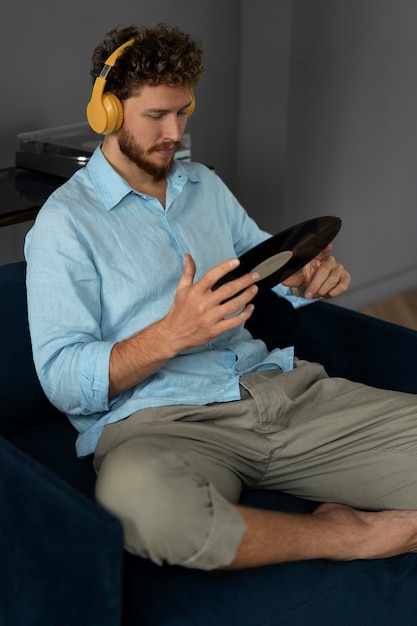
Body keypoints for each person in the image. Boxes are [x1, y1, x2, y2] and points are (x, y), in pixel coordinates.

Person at [25, 23, 417, 571]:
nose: (174, 131)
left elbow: (266, 263)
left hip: (281, 396)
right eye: (156, 116)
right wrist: (170, 335)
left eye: (183, 112)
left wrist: (306, 278)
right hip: (161, 424)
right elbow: (63, 380)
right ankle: (345, 534)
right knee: (146, 509)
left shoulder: (204, 186)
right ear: (108, 112)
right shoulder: (63, 224)